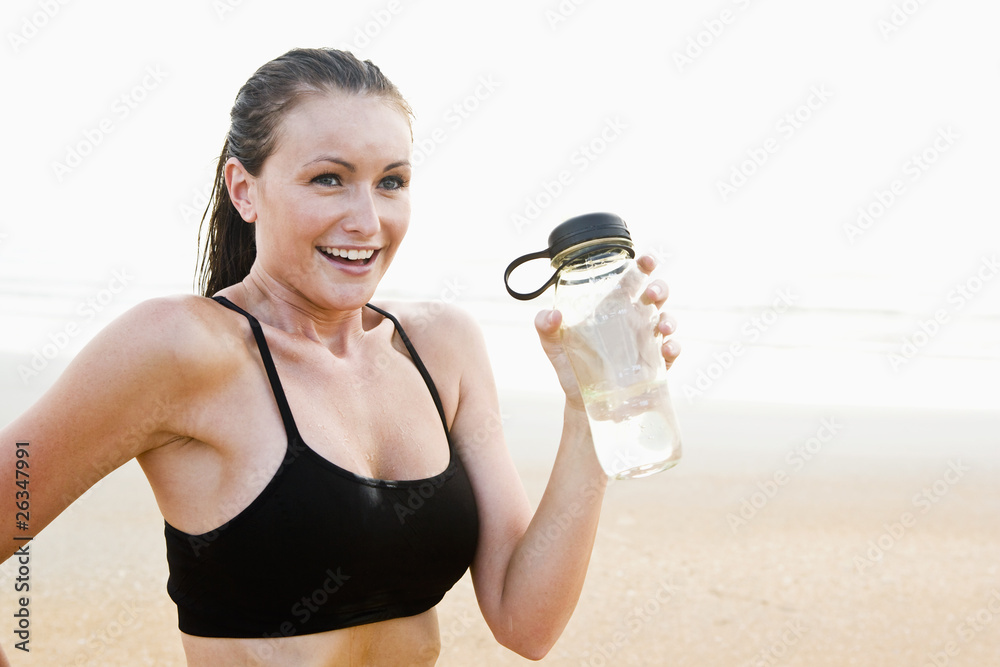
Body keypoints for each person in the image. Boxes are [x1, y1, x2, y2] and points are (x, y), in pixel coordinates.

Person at [0, 47, 679, 666]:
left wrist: (590, 406)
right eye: (329, 179)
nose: (366, 219)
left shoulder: (442, 347)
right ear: (244, 190)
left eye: (391, 182)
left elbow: (525, 621)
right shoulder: (181, 347)